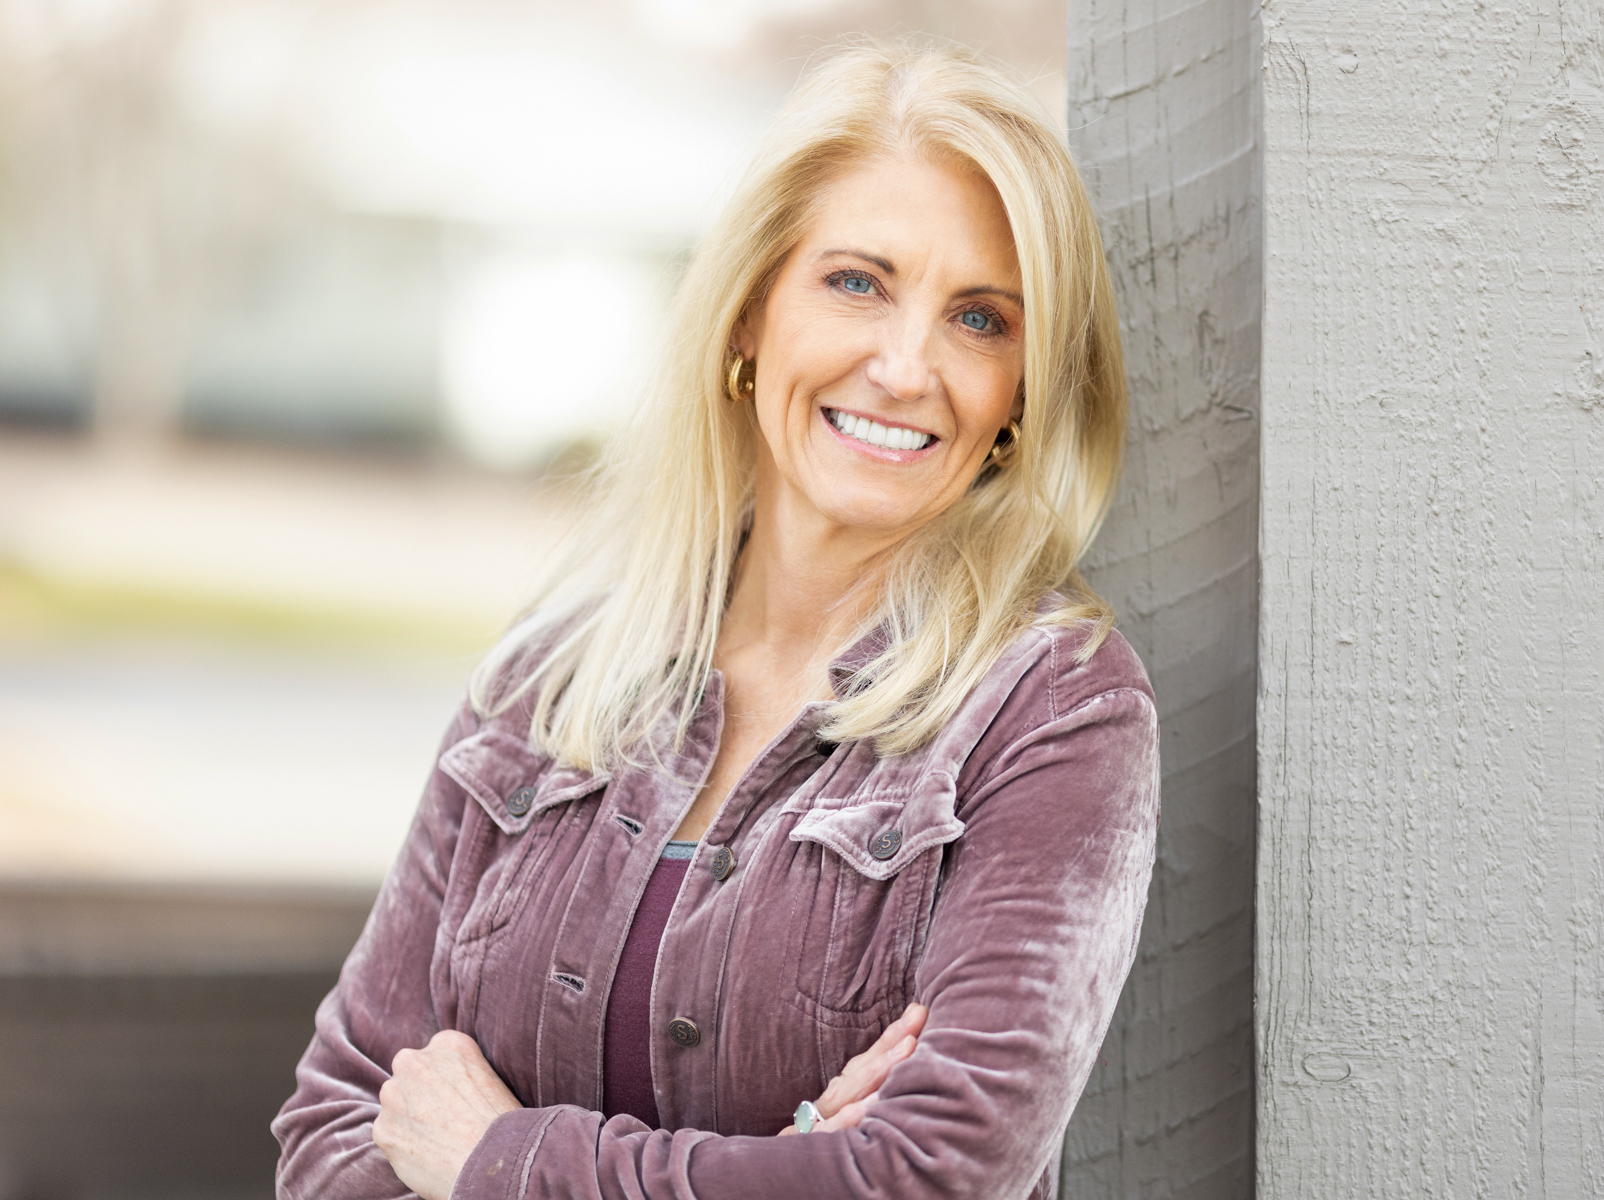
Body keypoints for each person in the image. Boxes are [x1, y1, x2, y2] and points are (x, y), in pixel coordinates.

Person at [273, 39, 1158, 1200]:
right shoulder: (550, 679)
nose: (905, 365)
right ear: (749, 315)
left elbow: (927, 1178)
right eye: (858, 282)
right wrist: (785, 1167)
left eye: (981, 319)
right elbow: (334, 1132)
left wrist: (499, 1163)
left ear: (1022, 393)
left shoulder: (1052, 711)